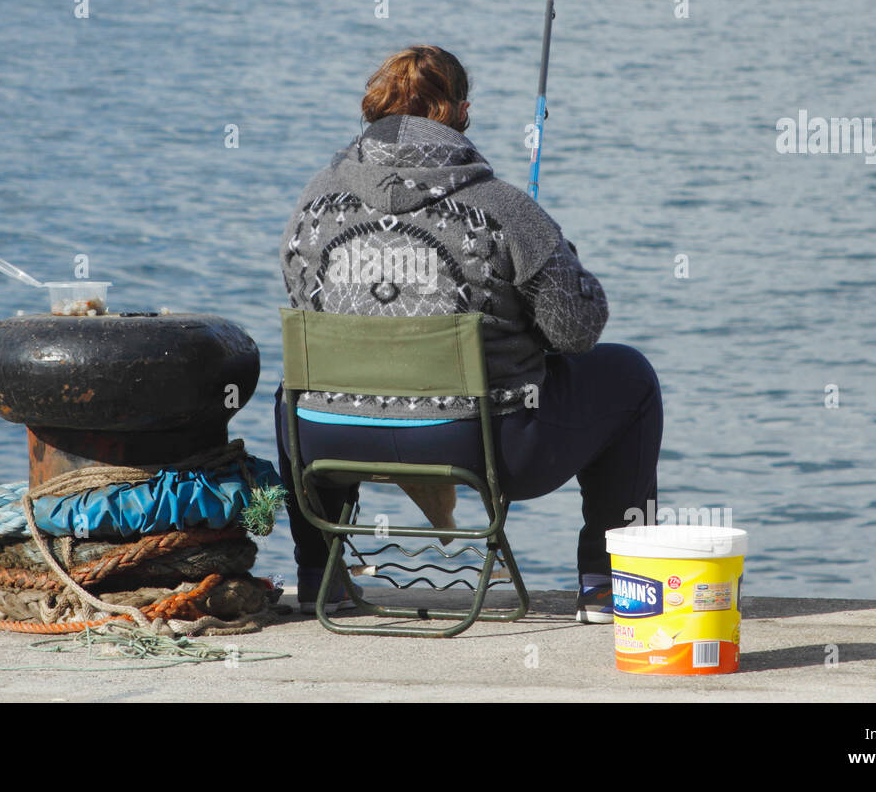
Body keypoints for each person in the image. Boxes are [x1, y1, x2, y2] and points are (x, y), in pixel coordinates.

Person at [274, 45, 661, 623]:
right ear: (460, 113)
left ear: (374, 112)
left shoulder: (311, 204)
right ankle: (609, 587)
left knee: (291, 394)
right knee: (630, 376)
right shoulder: (505, 207)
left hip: (331, 444)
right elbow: (578, 331)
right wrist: (552, 260)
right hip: (485, 450)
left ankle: (317, 576)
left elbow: (304, 298)